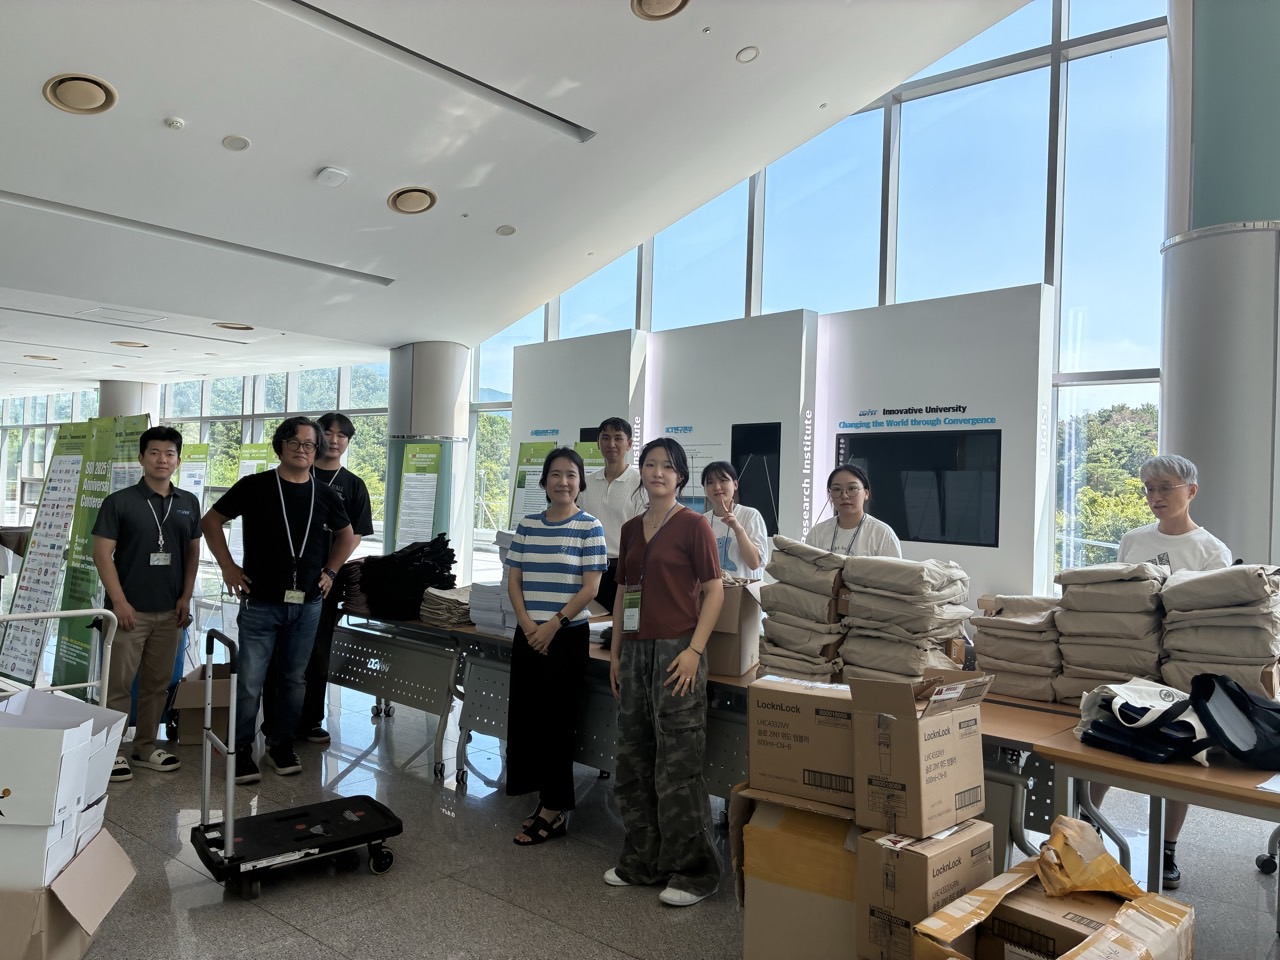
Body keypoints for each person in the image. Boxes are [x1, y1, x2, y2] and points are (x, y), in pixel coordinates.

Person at [1089, 454, 1231, 890]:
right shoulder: (1133, 540)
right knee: (1107, 742)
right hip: (1132, 659)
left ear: (1191, 491)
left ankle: (1168, 848)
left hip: (1183, 663)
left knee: (1178, 756)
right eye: (1149, 488)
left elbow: (1214, 618)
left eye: (1165, 487)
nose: (1155, 496)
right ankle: (1089, 827)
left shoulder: (1212, 551)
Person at [200, 417, 356, 784]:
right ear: (281, 446)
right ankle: (239, 748)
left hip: (308, 604)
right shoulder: (255, 486)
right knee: (250, 680)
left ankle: (280, 745)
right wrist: (228, 567)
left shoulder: (325, 494)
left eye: (309, 445)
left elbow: (347, 536)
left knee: (293, 679)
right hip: (260, 601)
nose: (302, 450)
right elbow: (210, 522)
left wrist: (331, 571)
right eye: (295, 443)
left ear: (316, 451)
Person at [606, 437, 724, 907]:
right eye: (651, 464)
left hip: (679, 652)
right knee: (633, 758)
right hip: (635, 652)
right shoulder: (631, 529)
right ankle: (643, 860)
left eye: (668, 466)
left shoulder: (694, 526)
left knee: (677, 764)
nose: (658, 472)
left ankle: (695, 872)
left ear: (680, 476)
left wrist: (695, 650)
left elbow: (715, 591)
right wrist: (616, 652)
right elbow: (623, 593)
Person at [505, 447, 606, 845]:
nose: (563, 482)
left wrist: (553, 625)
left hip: (565, 637)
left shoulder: (589, 527)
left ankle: (555, 808)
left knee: (557, 723)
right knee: (528, 719)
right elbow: (514, 580)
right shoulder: (528, 525)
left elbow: (591, 587)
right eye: (555, 474)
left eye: (571, 475)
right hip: (529, 634)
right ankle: (543, 797)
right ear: (544, 481)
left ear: (580, 483)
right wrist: (529, 625)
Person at [93, 426, 202, 782]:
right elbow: (102, 554)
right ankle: (111, 751)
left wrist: (185, 597)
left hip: (170, 612)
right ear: (141, 458)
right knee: (118, 685)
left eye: (169, 454)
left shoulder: (188, 502)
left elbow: (192, 552)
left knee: (157, 684)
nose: (162, 460)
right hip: (128, 612)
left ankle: (144, 746)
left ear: (178, 461)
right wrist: (119, 602)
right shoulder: (120, 502)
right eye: (154, 453)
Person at [262, 411, 374, 745]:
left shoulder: (353, 485)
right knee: (278, 652)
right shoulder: (293, 475)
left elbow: (354, 535)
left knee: (317, 653)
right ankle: (275, 721)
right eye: (329, 433)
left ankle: (310, 720)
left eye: (343, 436)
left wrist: (331, 569)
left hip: (325, 583)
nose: (335, 441)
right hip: (281, 580)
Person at [577, 416, 645, 649]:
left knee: (622, 633)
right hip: (591, 569)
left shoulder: (640, 483)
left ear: (629, 444)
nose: (611, 444)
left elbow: (642, 532)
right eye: (605, 438)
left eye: (618, 438)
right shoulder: (586, 483)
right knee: (590, 632)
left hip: (624, 570)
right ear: (598, 443)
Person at [804, 464, 902, 558]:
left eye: (851, 488)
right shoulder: (817, 533)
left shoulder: (882, 534)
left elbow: (894, 569)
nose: (844, 496)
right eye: (837, 489)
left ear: (866, 493)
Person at [700, 461, 768, 579]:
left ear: (735, 484)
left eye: (723, 480)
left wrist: (737, 527)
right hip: (713, 589)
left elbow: (754, 564)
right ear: (705, 489)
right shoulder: (702, 521)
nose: (717, 487)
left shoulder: (750, 515)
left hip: (744, 590)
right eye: (710, 482)